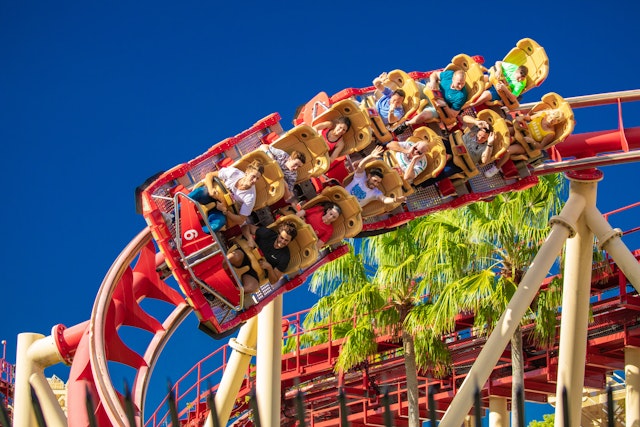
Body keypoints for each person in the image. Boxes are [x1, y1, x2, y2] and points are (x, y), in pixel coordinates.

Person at [227, 221, 298, 299]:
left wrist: (269, 268)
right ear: (278, 234)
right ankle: (218, 272)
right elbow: (246, 227)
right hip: (245, 256)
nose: (282, 241)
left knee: (251, 287)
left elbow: (274, 281)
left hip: (255, 272)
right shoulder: (268, 234)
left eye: (286, 240)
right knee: (232, 257)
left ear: (290, 241)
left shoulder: (285, 256)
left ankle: (227, 292)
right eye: (282, 237)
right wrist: (250, 239)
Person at [188, 160, 264, 230]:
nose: (254, 180)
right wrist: (211, 190)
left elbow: (241, 220)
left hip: (222, 209)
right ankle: (178, 211)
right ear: (247, 172)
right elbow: (209, 175)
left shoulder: (250, 197)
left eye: (257, 178)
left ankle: (195, 234)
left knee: (216, 225)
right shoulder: (234, 173)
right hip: (212, 195)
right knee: (199, 192)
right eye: (253, 176)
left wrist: (225, 211)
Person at [493, 108, 566, 173]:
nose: (550, 121)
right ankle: (487, 142)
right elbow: (529, 118)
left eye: (554, 121)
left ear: (557, 122)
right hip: (519, 131)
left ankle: (496, 168)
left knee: (508, 151)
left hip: (524, 145)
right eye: (551, 117)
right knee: (506, 131)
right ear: (550, 114)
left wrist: (532, 141)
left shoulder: (550, 133)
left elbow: (541, 146)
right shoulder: (542, 115)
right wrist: (521, 118)